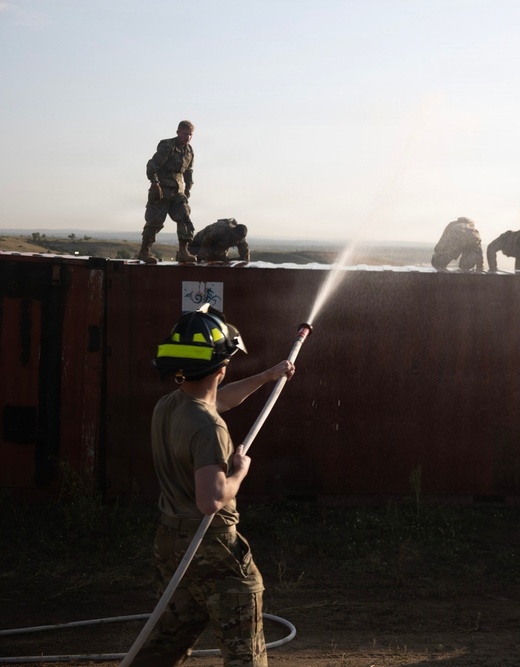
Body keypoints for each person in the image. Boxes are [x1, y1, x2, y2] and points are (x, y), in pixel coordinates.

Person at [134, 304, 295, 666]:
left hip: (171, 542)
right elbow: (211, 500)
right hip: (211, 548)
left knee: (166, 641)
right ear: (222, 368)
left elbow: (216, 401)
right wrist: (239, 471)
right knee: (244, 651)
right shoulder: (209, 427)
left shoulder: (170, 405)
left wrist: (268, 376)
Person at [140, 120, 198, 264]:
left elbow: (188, 172)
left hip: (178, 192)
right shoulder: (168, 147)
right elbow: (152, 165)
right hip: (162, 189)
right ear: (178, 132)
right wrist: (154, 183)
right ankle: (144, 251)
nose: (188, 137)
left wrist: (188, 188)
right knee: (155, 222)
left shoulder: (189, 151)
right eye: (185, 134)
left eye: (190, 135)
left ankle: (184, 251)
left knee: (184, 218)